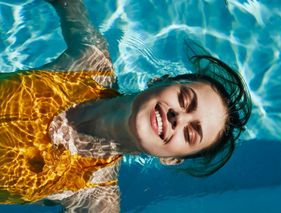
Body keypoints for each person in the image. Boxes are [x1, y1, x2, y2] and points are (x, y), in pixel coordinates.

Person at [0, 0, 251, 212]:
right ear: (160, 81)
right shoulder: (89, 62)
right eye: (185, 100)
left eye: (190, 133)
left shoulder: (96, 195)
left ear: (172, 159)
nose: (179, 118)